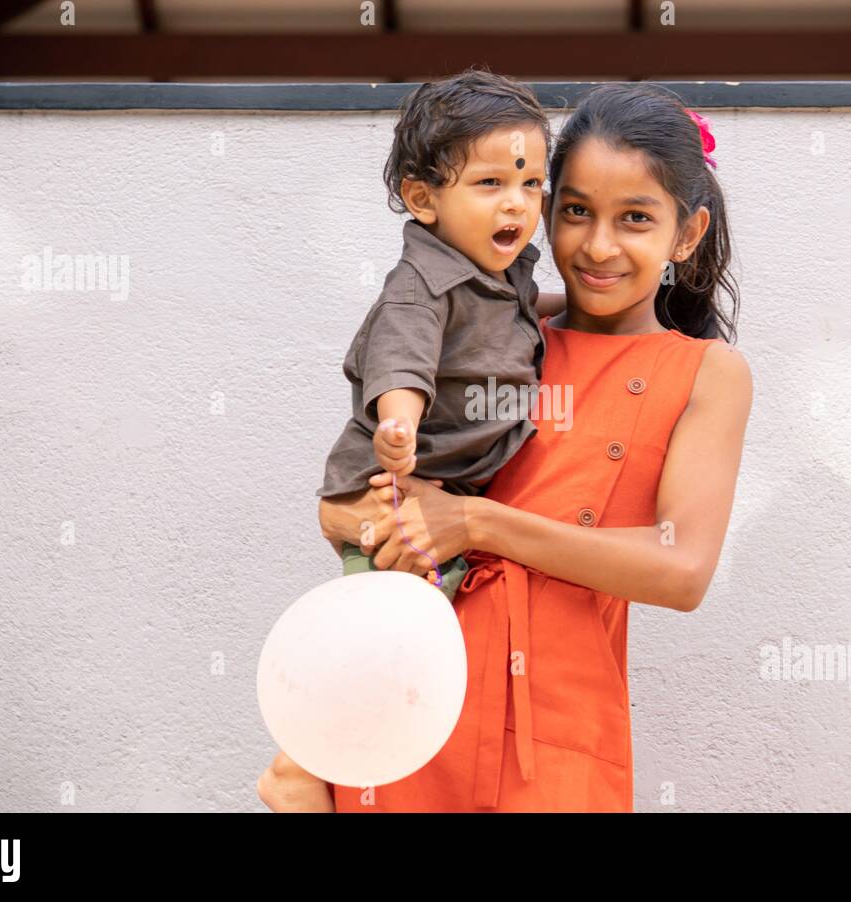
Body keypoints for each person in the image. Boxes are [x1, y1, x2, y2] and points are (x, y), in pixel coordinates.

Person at [261, 82, 752, 812]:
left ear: (686, 233)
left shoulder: (706, 372)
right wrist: (375, 514)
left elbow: (680, 571)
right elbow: (350, 513)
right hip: (418, 696)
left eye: (636, 219)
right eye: (576, 210)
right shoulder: (499, 343)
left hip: (556, 726)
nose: (598, 244)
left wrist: (479, 523)